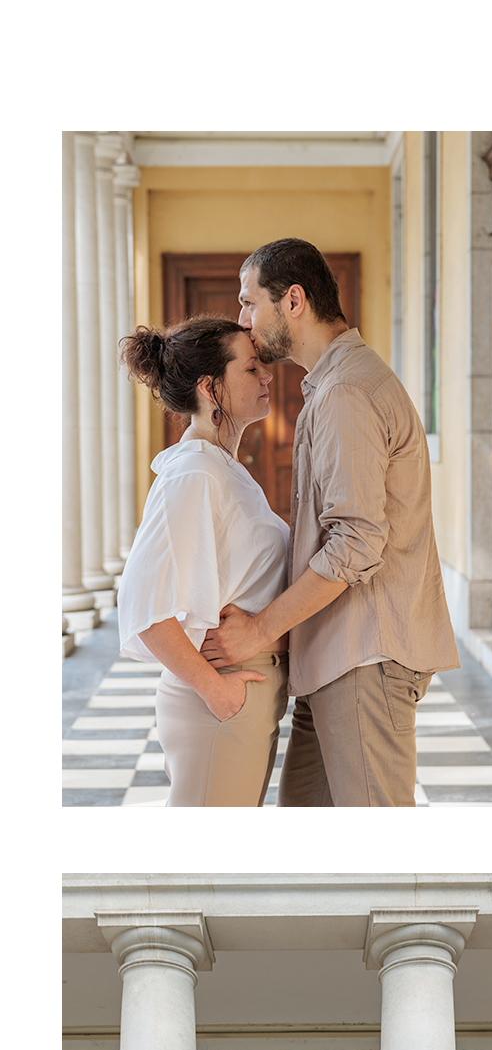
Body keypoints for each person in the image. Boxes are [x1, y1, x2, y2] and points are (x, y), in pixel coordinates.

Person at [200, 238, 459, 805]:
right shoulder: (333, 384)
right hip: (336, 659)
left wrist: (261, 628)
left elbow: (356, 543)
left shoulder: (345, 390)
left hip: (364, 657)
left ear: (293, 300)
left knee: (378, 863)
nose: (244, 320)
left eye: (250, 303)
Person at [116, 318, 289, 805]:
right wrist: (215, 690)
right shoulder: (193, 473)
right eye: (251, 368)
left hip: (243, 695)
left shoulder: (221, 469)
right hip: (220, 704)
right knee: (206, 868)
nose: (267, 377)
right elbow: (144, 606)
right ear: (210, 387)